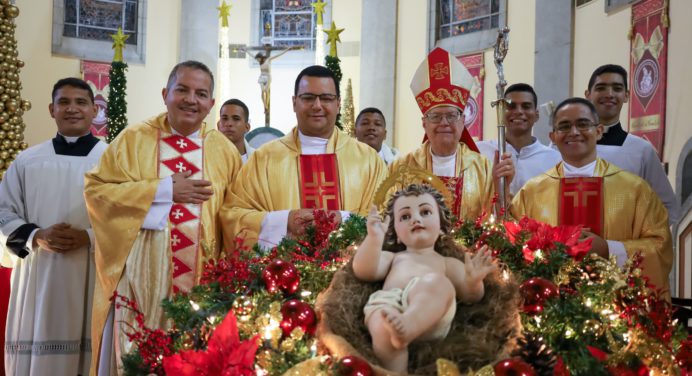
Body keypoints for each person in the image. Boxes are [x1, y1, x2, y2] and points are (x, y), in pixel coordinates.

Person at [84, 61, 243, 375]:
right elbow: (97, 192)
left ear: (211, 104)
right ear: (165, 94)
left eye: (201, 93)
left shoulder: (225, 152)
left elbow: (237, 214)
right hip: (145, 283)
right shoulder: (134, 140)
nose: (190, 99)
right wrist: (162, 190)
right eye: (181, 90)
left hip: (204, 283)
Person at [0, 77, 107, 375]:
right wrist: (36, 235)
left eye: (80, 102)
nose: (72, 109)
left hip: (93, 271)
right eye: (64, 102)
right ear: (51, 109)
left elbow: (128, 217)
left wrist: (88, 236)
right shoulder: (27, 161)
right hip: (38, 270)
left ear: (94, 109)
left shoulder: (113, 160)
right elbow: (3, 212)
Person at [511, 97, 672, 294]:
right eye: (564, 126)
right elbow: (514, 248)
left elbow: (660, 246)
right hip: (551, 305)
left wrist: (608, 249)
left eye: (583, 124)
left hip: (616, 307)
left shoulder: (635, 190)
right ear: (552, 137)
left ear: (599, 131)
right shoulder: (532, 192)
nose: (574, 132)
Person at [222, 65, 388, 250]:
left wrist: (345, 219)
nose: (317, 106)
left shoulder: (368, 160)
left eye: (326, 98)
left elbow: (389, 216)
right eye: (308, 98)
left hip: (350, 274)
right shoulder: (264, 159)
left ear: (338, 103)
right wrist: (285, 221)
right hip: (279, 274)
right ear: (294, 102)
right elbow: (233, 216)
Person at [352, 184, 496, 373]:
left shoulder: (446, 263)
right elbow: (364, 270)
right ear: (396, 234)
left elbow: (471, 296)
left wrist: (473, 281)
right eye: (405, 216)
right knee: (383, 326)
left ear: (442, 226)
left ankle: (409, 324)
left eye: (425, 212)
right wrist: (373, 239)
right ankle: (394, 370)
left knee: (437, 284)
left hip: (429, 316)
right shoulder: (394, 257)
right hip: (390, 304)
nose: (416, 219)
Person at [391, 47, 514, 220]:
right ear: (424, 123)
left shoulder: (484, 169)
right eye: (435, 116)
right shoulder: (401, 168)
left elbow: (499, 225)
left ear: (463, 121)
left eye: (451, 115)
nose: (444, 123)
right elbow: (387, 219)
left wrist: (501, 190)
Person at [584, 64, 679, 225]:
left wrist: (637, 238)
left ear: (626, 96)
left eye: (617, 88)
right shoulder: (565, 146)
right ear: (588, 95)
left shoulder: (642, 150)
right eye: (601, 88)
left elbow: (669, 209)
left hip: (624, 246)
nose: (609, 94)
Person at [477, 83, 560, 195]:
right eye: (511, 106)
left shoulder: (555, 160)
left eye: (526, 106)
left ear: (536, 115)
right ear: (501, 113)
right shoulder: (480, 152)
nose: (518, 111)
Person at [218, 98, 254, 163]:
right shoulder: (205, 157)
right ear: (218, 125)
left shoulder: (259, 160)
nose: (229, 123)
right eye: (224, 118)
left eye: (236, 119)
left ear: (247, 127)